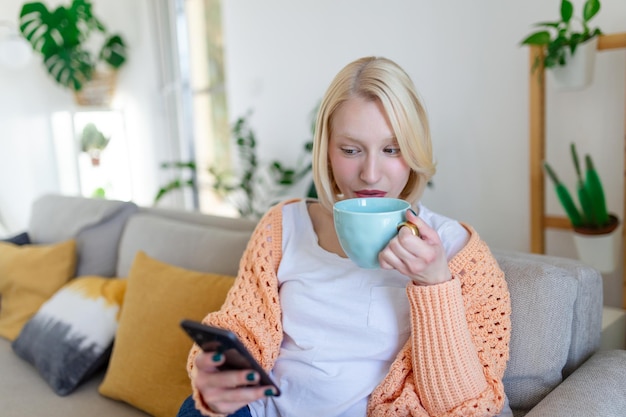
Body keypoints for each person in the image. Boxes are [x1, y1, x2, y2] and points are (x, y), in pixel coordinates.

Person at [177, 56, 512, 417]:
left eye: (391, 149)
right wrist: (215, 380)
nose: (370, 174)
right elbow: (241, 329)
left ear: (415, 151)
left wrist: (434, 284)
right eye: (351, 150)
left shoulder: (458, 251)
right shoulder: (283, 226)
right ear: (327, 151)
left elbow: (467, 409)